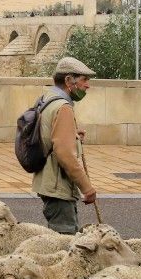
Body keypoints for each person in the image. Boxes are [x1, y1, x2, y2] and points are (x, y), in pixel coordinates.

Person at [30, 56, 98, 234]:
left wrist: (72, 136)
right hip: (58, 187)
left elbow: (50, 136)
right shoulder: (63, 107)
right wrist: (87, 188)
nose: (87, 85)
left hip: (48, 183)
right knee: (64, 242)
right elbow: (65, 154)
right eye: (84, 80)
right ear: (68, 80)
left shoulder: (47, 99)